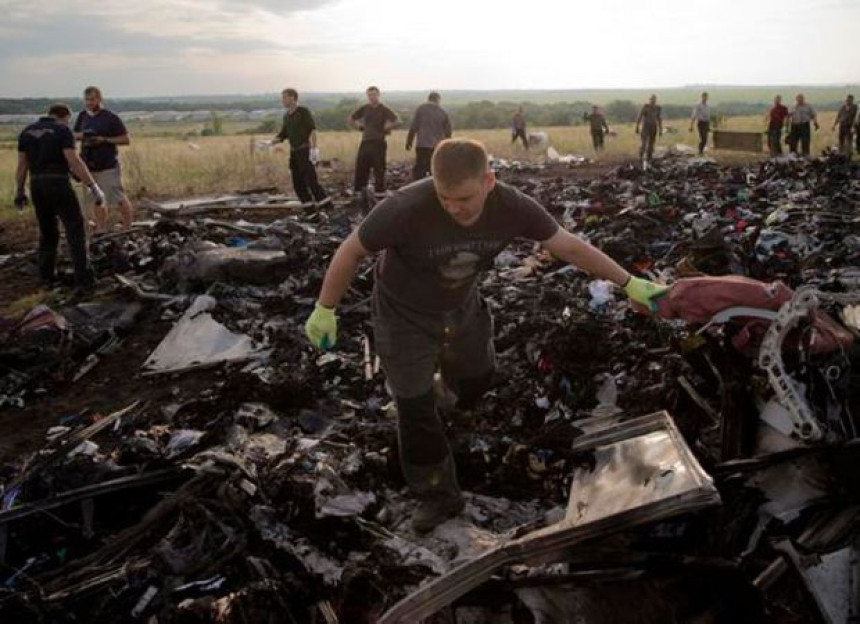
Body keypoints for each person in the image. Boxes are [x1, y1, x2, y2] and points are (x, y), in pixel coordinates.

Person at [303, 138, 669, 533]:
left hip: (460, 307)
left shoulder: (512, 207)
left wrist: (628, 282)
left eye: (464, 198)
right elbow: (350, 250)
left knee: (478, 378)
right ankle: (437, 496)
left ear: (489, 180)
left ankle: (443, 397)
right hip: (402, 314)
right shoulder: (404, 208)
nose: (454, 207)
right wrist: (325, 309)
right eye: (445, 198)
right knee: (413, 408)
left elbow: (568, 247)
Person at [15, 104, 105, 289]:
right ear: (64, 117)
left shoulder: (27, 132)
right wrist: (94, 186)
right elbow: (74, 161)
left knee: (48, 232)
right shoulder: (62, 130)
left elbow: (22, 165)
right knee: (75, 230)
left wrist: (19, 191)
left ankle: (46, 277)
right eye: (68, 120)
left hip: (37, 184)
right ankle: (84, 279)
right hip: (58, 183)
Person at [73, 86, 133, 233]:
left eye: (92, 99)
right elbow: (74, 135)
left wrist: (104, 140)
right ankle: (101, 228)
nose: (89, 103)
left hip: (107, 164)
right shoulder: (82, 116)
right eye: (86, 100)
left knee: (116, 196)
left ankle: (127, 226)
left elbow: (125, 139)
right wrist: (85, 136)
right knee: (96, 197)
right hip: (88, 163)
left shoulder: (110, 117)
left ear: (99, 99)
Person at [273, 88, 331, 211]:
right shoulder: (286, 116)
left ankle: (327, 208)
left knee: (311, 182)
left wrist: (314, 149)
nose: (282, 100)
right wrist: (269, 143)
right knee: (298, 184)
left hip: (305, 150)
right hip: (294, 153)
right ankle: (310, 211)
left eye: (284, 97)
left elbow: (312, 130)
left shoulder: (303, 111)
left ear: (292, 98)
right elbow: (283, 134)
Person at [349, 86, 401, 212]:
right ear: (368, 96)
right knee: (361, 167)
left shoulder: (383, 109)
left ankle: (380, 195)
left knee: (379, 168)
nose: (372, 97)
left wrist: (387, 128)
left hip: (379, 142)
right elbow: (351, 119)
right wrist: (360, 127)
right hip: (366, 141)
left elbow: (398, 121)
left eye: (374, 94)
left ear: (378, 95)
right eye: (370, 95)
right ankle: (360, 194)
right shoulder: (365, 108)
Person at [406, 92, 452, 180]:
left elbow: (413, 127)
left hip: (422, 145)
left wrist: (409, 141)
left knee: (420, 169)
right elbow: (448, 132)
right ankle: (432, 188)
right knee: (434, 169)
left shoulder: (421, 109)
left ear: (429, 99)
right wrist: (447, 146)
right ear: (438, 100)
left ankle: (418, 188)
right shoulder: (443, 112)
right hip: (437, 146)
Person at [635, 95, 662, 163]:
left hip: (653, 127)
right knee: (644, 144)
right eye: (651, 100)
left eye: (654, 100)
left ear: (655, 100)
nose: (653, 101)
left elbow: (659, 119)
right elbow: (640, 116)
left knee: (651, 144)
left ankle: (649, 158)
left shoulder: (657, 108)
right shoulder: (645, 107)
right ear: (649, 100)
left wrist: (660, 129)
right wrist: (637, 126)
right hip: (645, 127)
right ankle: (641, 158)